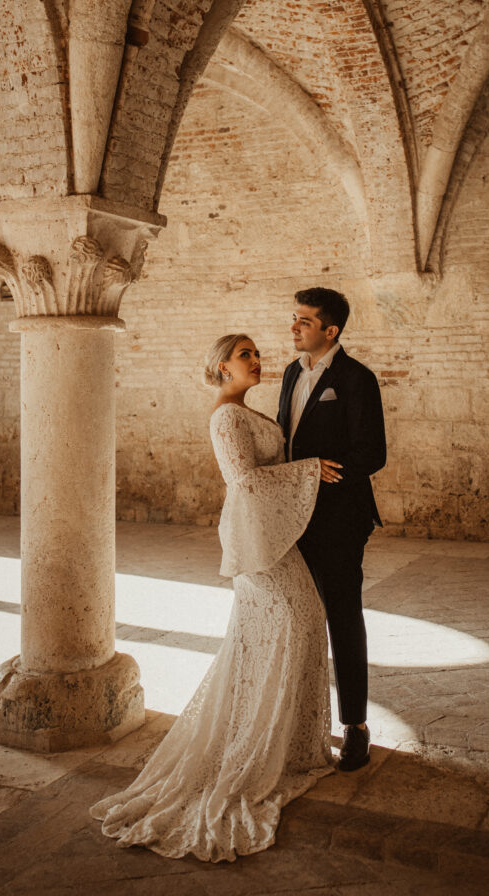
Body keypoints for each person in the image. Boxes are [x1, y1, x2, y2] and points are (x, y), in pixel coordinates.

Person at [90, 333, 343, 862]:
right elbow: (244, 480)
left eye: (255, 352)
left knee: (293, 624)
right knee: (291, 621)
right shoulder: (226, 418)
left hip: (270, 537)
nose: (257, 359)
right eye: (244, 354)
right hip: (256, 545)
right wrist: (308, 469)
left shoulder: (247, 412)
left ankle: (285, 740)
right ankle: (252, 746)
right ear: (222, 367)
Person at [278, 288, 386, 771]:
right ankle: (299, 717)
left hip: (340, 519)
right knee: (296, 617)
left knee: (343, 616)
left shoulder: (356, 379)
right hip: (290, 518)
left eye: (304, 321)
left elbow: (372, 452)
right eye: (295, 318)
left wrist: (325, 468)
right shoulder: (289, 374)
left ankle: (355, 725)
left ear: (331, 330)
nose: (294, 327)